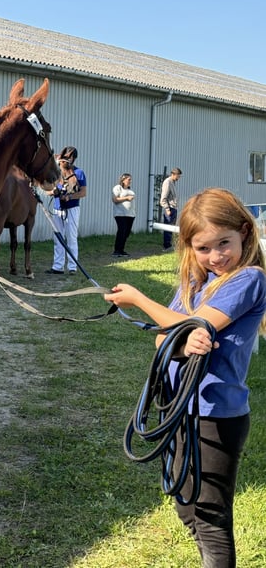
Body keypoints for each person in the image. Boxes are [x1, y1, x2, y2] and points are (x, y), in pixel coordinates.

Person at [104, 188, 266, 567]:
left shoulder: (248, 279)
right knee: (185, 505)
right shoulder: (195, 282)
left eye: (224, 244)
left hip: (216, 414)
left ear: (244, 231)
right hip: (181, 408)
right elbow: (165, 337)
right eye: (203, 248)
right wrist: (183, 336)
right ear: (190, 247)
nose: (215, 256)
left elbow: (192, 325)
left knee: (210, 516)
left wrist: (142, 301)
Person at [45, 146, 87, 274]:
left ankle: (72, 266)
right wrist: (53, 192)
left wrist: (70, 197)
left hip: (72, 208)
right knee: (58, 238)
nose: (68, 159)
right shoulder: (56, 173)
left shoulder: (79, 173)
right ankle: (58, 266)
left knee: (71, 238)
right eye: (67, 157)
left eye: (71, 157)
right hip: (58, 208)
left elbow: (83, 192)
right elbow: (47, 189)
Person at [111, 173, 136, 257]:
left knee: (127, 232)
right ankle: (116, 250)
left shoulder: (130, 191)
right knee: (122, 230)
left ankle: (121, 250)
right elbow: (115, 199)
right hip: (120, 214)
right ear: (123, 180)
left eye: (131, 180)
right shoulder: (118, 188)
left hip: (130, 214)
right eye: (129, 179)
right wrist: (126, 198)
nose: (130, 181)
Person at [160, 167, 183, 250]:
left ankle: (169, 244)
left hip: (173, 208)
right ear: (173, 174)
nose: (178, 178)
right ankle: (166, 245)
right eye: (178, 176)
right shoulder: (167, 182)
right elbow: (163, 197)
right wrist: (167, 209)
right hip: (169, 208)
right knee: (168, 227)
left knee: (172, 227)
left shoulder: (173, 182)